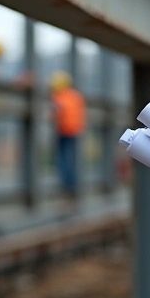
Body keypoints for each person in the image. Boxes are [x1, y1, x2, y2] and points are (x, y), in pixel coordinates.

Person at [49, 70, 85, 200]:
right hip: (75, 130)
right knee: (72, 160)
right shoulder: (76, 96)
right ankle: (74, 188)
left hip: (63, 130)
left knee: (63, 160)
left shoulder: (58, 97)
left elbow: (56, 112)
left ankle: (67, 189)